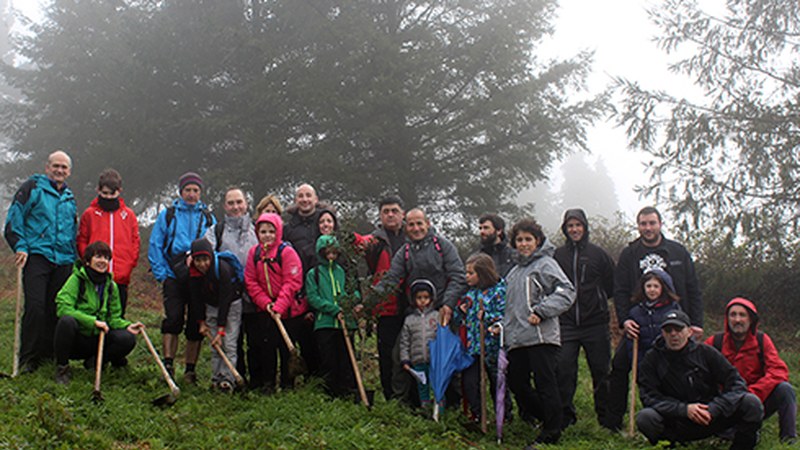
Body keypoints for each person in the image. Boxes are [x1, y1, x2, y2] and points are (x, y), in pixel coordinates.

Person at [373, 207, 467, 403]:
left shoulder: (443, 246)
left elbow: (458, 276)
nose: (416, 228)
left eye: (419, 223)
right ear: (406, 227)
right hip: (415, 314)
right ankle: (402, 401)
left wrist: (448, 305)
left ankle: (453, 403)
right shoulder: (404, 252)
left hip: (442, 312)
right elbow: (391, 279)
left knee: (447, 359)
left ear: (428, 223)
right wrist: (368, 301)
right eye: (412, 224)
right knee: (400, 356)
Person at [636, 310, 763, 449]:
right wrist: (684, 410)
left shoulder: (706, 352)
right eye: (668, 330)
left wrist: (715, 408)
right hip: (677, 420)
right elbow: (649, 397)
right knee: (645, 418)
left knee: (751, 403)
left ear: (689, 332)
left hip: (712, 416)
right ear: (662, 333)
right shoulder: (652, 359)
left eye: (678, 329)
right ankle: (668, 446)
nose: (673, 334)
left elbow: (737, 383)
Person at [503, 218, 575, 446]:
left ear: (538, 241)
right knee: (516, 383)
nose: (524, 244)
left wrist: (542, 311)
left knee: (546, 384)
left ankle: (551, 433)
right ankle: (551, 417)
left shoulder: (546, 264)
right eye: (519, 240)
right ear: (514, 244)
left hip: (541, 336)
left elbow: (566, 292)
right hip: (516, 338)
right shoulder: (513, 273)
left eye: (528, 239)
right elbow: (510, 306)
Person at [4, 150, 77, 373]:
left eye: (64, 167)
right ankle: (28, 358)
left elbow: (73, 230)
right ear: (47, 168)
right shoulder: (32, 188)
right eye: (55, 166)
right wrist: (20, 246)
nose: (59, 170)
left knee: (55, 308)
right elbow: (14, 219)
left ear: (69, 172)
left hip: (64, 259)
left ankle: (48, 354)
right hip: (37, 255)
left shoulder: (70, 198)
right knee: (35, 307)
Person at [147, 171, 216, 383]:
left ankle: (190, 371)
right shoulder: (168, 215)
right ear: (180, 192)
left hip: (198, 276)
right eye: (188, 190)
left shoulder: (208, 218)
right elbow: (156, 245)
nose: (192, 194)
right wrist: (163, 275)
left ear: (201, 193)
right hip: (173, 274)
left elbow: (214, 247)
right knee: (173, 319)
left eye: (196, 190)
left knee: (196, 323)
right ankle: (167, 366)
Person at [553, 208, 615, 429]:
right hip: (566, 322)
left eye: (578, 225)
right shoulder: (557, 255)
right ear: (565, 229)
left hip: (595, 323)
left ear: (585, 227)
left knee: (602, 371)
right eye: (570, 226)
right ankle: (565, 417)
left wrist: (596, 300)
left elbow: (611, 284)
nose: (574, 229)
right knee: (563, 370)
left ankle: (606, 419)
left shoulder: (599, 254)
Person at [705, 298, 797, 443]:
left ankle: (788, 438)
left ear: (751, 319)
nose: (737, 319)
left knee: (785, 389)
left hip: (757, 399)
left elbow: (778, 371)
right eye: (733, 315)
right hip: (725, 405)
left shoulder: (762, 340)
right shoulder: (714, 342)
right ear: (727, 319)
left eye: (742, 315)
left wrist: (753, 393)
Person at [53, 241, 143, 384]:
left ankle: (95, 362)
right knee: (66, 322)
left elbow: (114, 318)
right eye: (98, 257)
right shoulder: (76, 280)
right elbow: (63, 307)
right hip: (77, 339)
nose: (103, 261)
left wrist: (127, 326)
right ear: (88, 261)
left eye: (106, 258)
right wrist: (92, 322)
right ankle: (62, 368)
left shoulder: (111, 286)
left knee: (127, 338)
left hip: (98, 339)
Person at [603, 268, 681, 432]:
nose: (652, 290)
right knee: (646, 392)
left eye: (656, 286)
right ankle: (639, 424)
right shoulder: (636, 312)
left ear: (664, 288)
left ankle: (669, 426)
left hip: (665, 361)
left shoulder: (672, 311)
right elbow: (632, 342)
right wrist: (637, 362)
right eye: (648, 286)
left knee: (665, 392)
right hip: (643, 359)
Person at [615, 206, 703, 340]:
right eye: (643, 224)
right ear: (638, 226)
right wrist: (624, 320)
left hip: (677, 322)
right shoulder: (629, 254)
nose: (648, 228)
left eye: (652, 223)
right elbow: (620, 289)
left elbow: (693, 288)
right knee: (620, 361)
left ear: (660, 224)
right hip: (640, 324)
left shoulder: (678, 252)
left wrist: (696, 322)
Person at [203, 187, 259, 387]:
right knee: (229, 339)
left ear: (246, 204)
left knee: (254, 341)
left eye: (239, 202)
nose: (236, 207)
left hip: (254, 295)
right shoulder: (215, 231)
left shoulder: (257, 229)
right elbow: (206, 259)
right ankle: (227, 378)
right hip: (227, 296)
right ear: (224, 206)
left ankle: (256, 380)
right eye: (231, 203)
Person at [244, 213, 305, 391]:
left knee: (287, 349)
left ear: (278, 232)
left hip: (289, 311)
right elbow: (251, 281)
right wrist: (265, 303)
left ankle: (288, 383)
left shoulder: (287, 252)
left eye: (272, 231)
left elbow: (292, 282)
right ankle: (268, 383)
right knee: (267, 347)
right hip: (266, 310)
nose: (267, 235)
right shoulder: (254, 253)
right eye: (263, 231)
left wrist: (279, 306)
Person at [76, 168, 140, 316]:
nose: (109, 197)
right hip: (95, 275)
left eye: (113, 193)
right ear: (98, 190)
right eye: (104, 193)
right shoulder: (89, 214)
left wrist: (130, 264)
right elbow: (82, 239)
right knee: (94, 314)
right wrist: (88, 260)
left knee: (118, 315)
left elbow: (135, 241)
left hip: (120, 275)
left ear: (119, 191)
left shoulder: (128, 215)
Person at [456, 253, 510, 425]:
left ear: (483, 273)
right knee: (470, 382)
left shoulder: (500, 291)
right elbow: (462, 320)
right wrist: (461, 311)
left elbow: (505, 315)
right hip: (473, 348)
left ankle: (504, 415)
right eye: (466, 273)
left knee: (497, 383)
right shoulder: (471, 293)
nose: (467, 277)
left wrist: (487, 316)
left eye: (471, 273)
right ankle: (478, 414)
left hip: (492, 347)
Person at [305, 234, 361, 398]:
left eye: (334, 253)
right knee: (328, 359)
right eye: (327, 253)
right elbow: (313, 298)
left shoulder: (343, 272)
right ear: (320, 253)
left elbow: (355, 291)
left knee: (346, 358)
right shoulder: (313, 274)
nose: (331, 256)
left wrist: (348, 303)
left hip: (346, 322)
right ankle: (330, 392)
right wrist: (333, 309)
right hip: (325, 324)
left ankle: (348, 391)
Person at [364, 196, 407, 401]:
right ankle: (391, 395)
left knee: (412, 352)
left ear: (402, 214)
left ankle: (412, 395)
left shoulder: (413, 235)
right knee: (388, 353)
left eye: (394, 210)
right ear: (380, 216)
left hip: (412, 303)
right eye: (386, 211)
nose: (390, 215)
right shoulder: (374, 241)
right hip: (386, 306)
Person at [188, 239, 242, 392]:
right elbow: (196, 299)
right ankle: (216, 377)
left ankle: (228, 379)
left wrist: (221, 329)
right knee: (215, 345)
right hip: (211, 305)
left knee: (229, 343)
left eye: (205, 259)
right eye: (198, 260)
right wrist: (201, 322)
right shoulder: (193, 273)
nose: (202, 264)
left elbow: (225, 300)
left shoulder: (222, 269)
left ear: (211, 257)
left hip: (231, 304)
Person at [282, 184, 322, 375]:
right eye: (300, 196)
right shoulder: (288, 228)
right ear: (296, 201)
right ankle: (300, 375)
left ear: (316, 199)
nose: (305, 199)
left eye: (308, 195)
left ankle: (321, 376)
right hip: (298, 289)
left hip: (322, 286)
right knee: (302, 333)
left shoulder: (325, 222)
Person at [399, 279, 440, 413]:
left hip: (435, 359)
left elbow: (442, 337)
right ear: (413, 299)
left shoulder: (437, 316)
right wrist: (405, 359)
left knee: (437, 385)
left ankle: (439, 410)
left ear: (431, 298)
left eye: (426, 297)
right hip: (417, 360)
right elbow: (405, 341)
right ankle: (425, 409)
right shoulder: (409, 320)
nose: (423, 301)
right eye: (419, 298)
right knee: (422, 386)